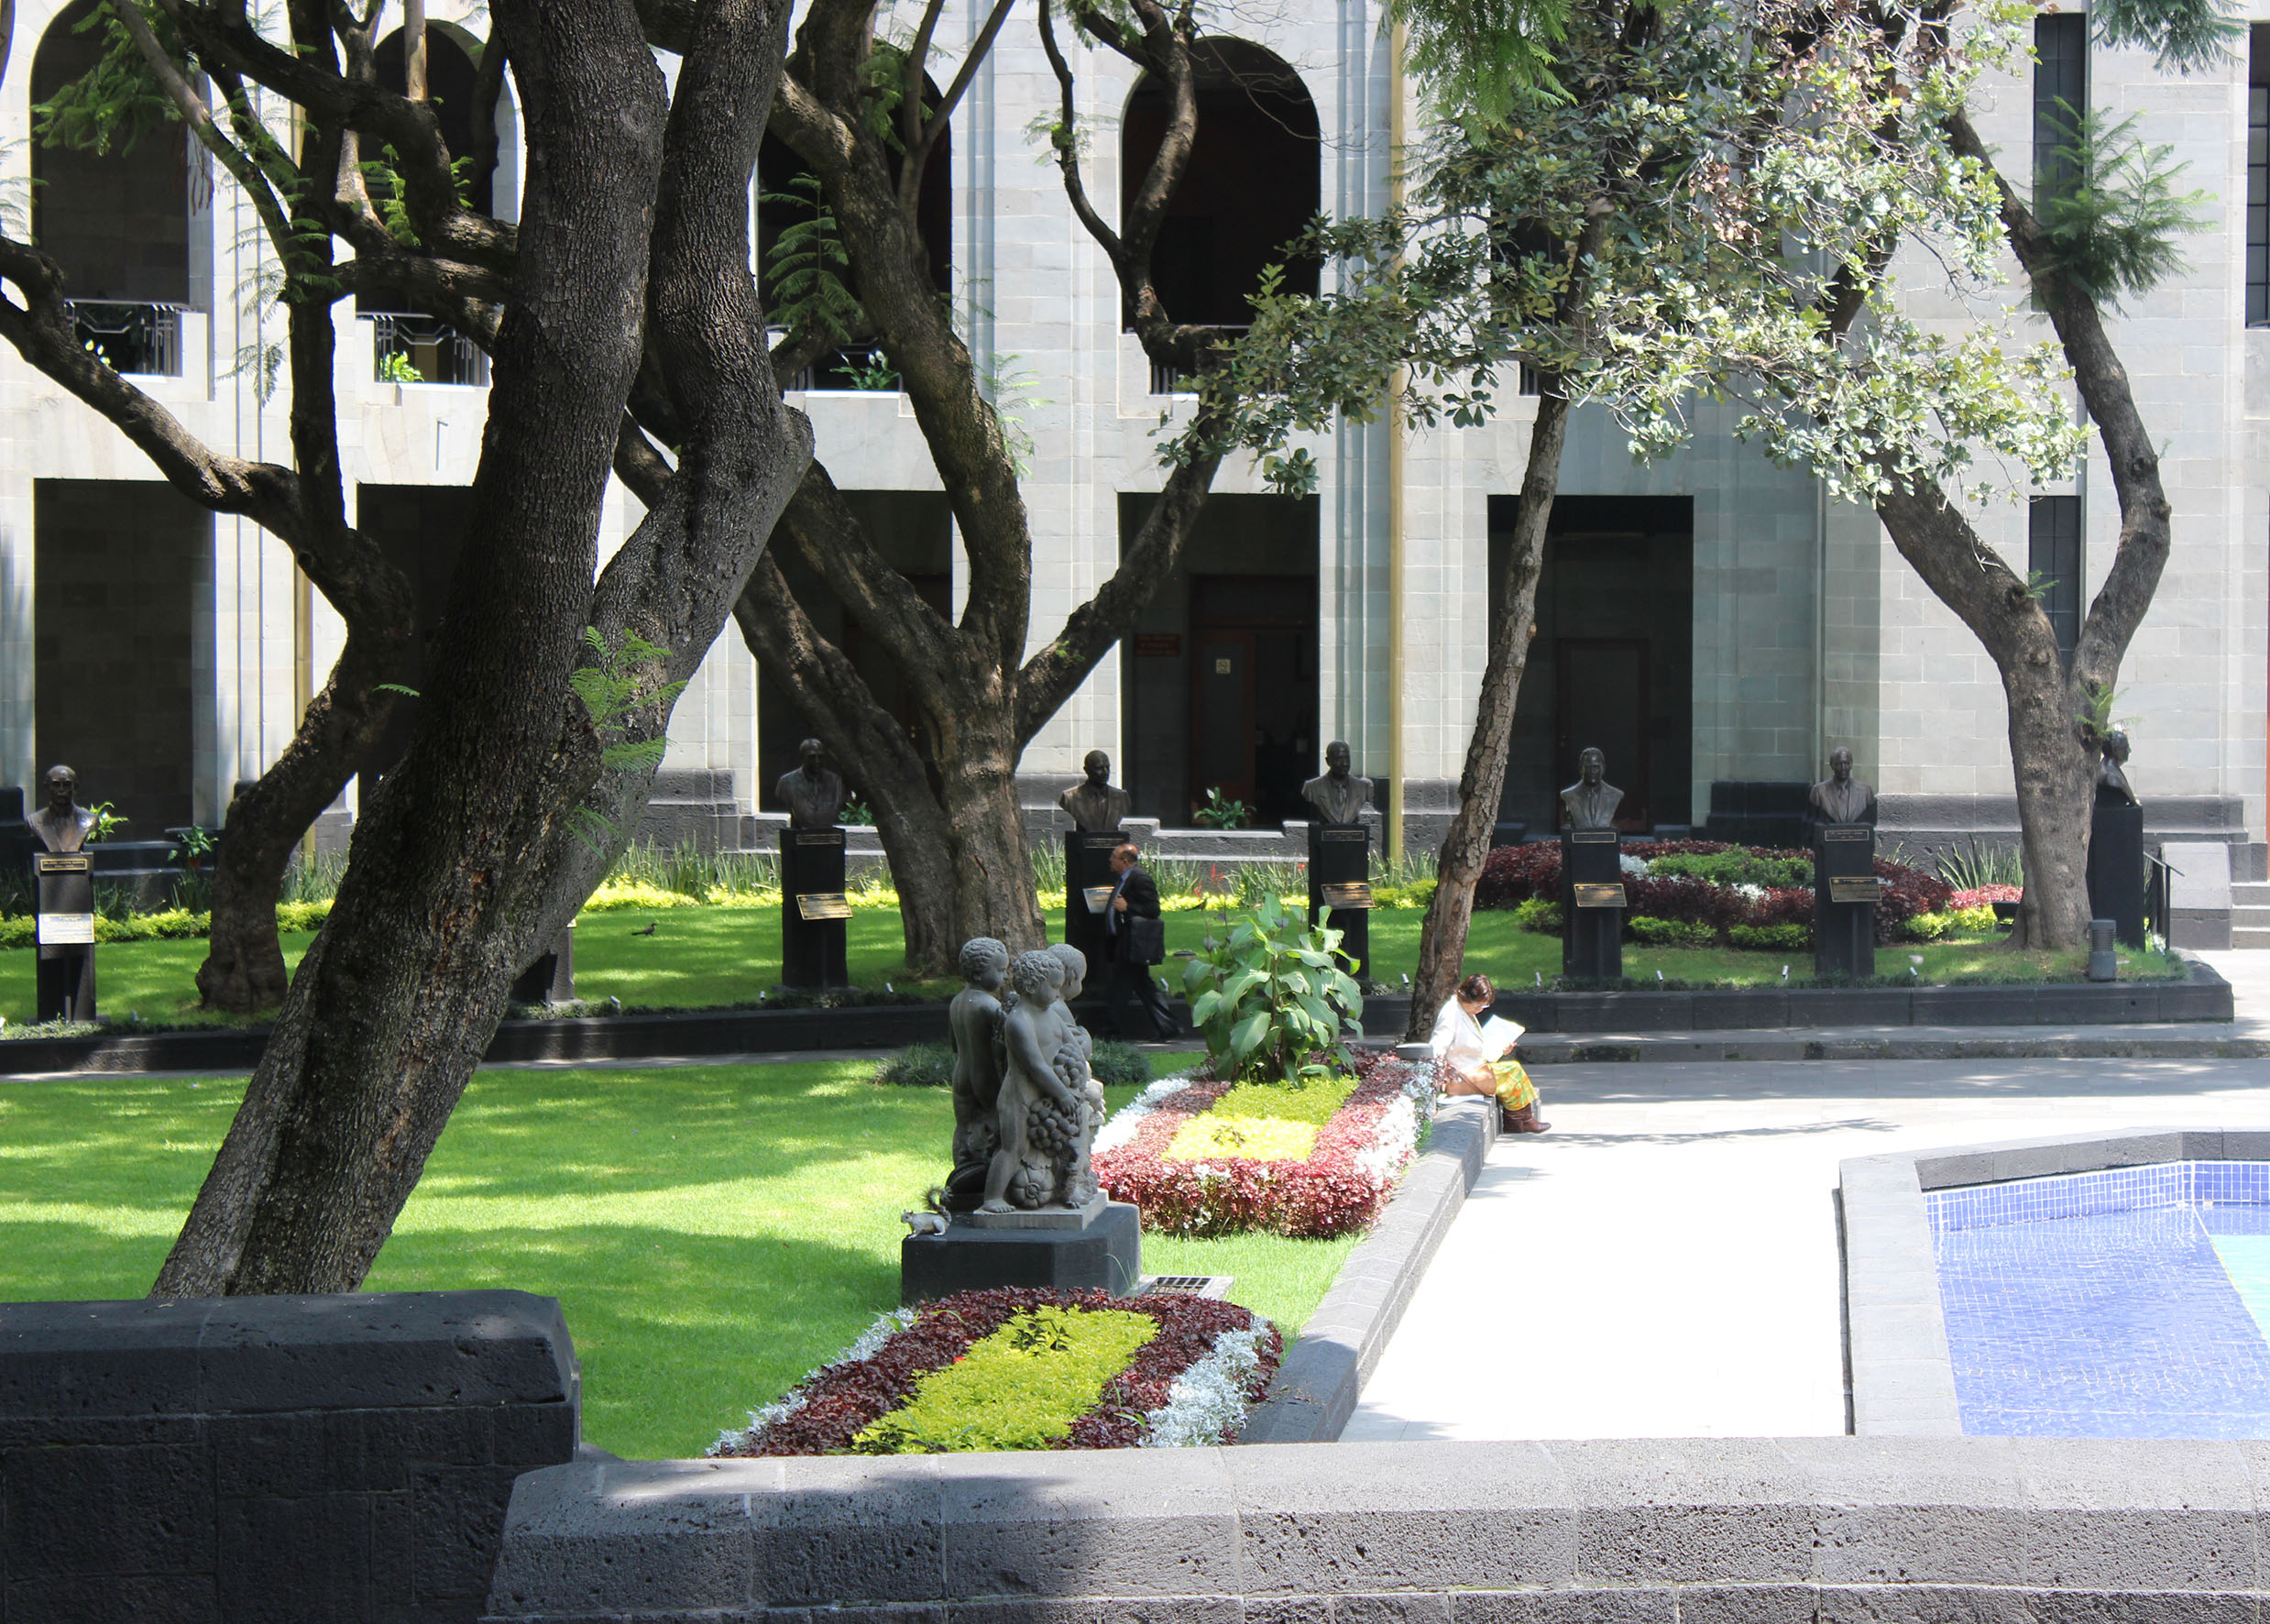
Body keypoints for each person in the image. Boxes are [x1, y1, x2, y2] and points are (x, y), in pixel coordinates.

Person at [1429, 972, 1549, 1134]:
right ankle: (1521, 1121)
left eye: (1484, 1007)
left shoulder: (1465, 1011)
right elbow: (1437, 1047)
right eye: (1478, 1005)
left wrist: (1501, 1049)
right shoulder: (1451, 1014)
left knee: (1514, 1068)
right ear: (1466, 997)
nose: (1480, 1010)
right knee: (1512, 1072)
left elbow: (1472, 1046)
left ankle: (1522, 1120)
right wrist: (1439, 1076)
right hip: (1462, 1075)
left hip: (1474, 1068)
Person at [1103, 840, 1177, 1039]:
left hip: (1134, 944)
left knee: (1121, 988)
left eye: (1113, 857)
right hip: (1124, 943)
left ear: (1125, 861)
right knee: (1143, 987)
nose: (1110, 861)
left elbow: (1153, 910)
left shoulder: (1140, 879)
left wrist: (1128, 907)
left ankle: (1109, 1031)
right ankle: (1168, 1026)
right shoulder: (1124, 878)